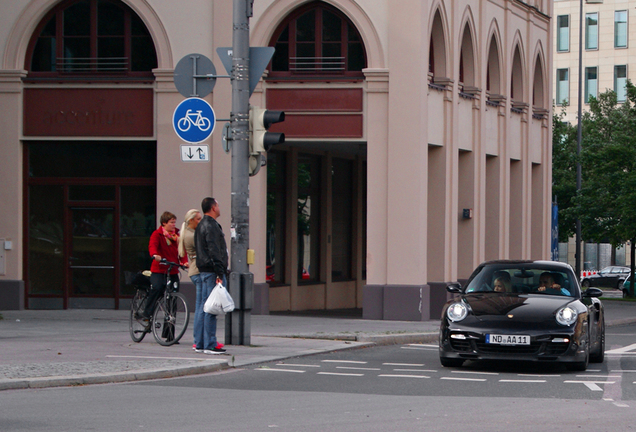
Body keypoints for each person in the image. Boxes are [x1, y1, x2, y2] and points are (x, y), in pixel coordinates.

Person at [178, 209, 218, 353]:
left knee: (201, 305)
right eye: (198, 219)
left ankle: (200, 340)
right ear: (190, 221)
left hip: (196, 270)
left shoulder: (189, 232)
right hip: (197, 270)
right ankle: (199, 340)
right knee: (202, 306)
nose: (200, 222)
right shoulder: (192, 235)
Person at [194, 197, 228, 354]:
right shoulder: (212, 226)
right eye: (218, 205)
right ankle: (210, 343)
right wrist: (219, 271)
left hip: (203, 270)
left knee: (203, 306)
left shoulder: (201, 225)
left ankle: (200, 342)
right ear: (213, 207)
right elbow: (214, 249)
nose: (219, 208)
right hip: (212, 271)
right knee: (212, 308)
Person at [142, 211, 188, 319]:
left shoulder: (177, 235)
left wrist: (184, 261)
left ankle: (169, 332)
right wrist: (155, 255)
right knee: (157, 288)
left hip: (172, 269)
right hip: (159, 269)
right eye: (171, 222)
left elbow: (182, 251)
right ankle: (147, 313)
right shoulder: (157, 234)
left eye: (174, 222)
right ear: (164, 223)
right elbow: (152, 246)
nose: (173, 225)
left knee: (173, 298)